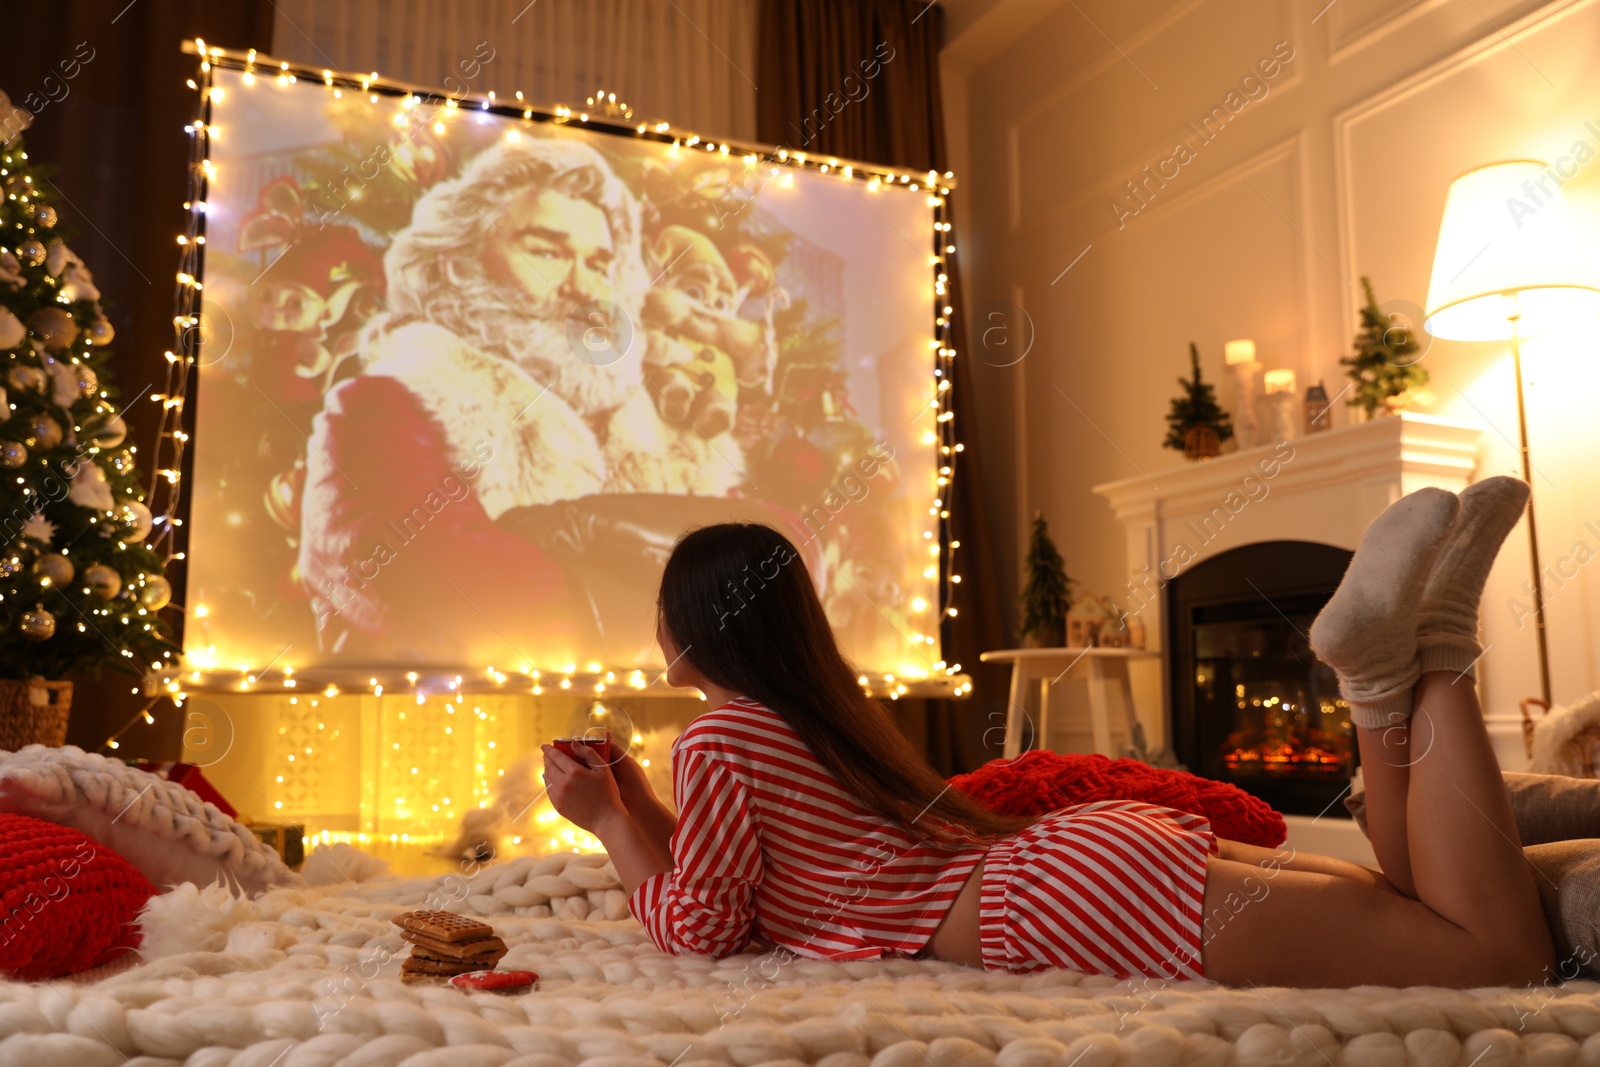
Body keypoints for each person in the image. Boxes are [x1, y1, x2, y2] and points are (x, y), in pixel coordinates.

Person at [542, 481, 1556, 986]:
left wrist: (603, 823)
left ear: (687, 632)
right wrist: (637, 803)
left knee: (1490, 953)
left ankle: (1435, 652)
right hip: (1079, 858)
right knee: (1407, 894)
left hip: (1066, 898)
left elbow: (703, 924)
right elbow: (744, 874)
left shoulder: (718, 738)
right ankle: (1398, 660)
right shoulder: (815, 716)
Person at [296, 136, 758, 666]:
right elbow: (467, 604)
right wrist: (704, 616)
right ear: (456, 265)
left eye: (600, 263)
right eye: (546, 251)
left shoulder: (664, 430)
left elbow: (784, 560)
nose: (585, 289)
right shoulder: (379, 407)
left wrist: (564, 531)